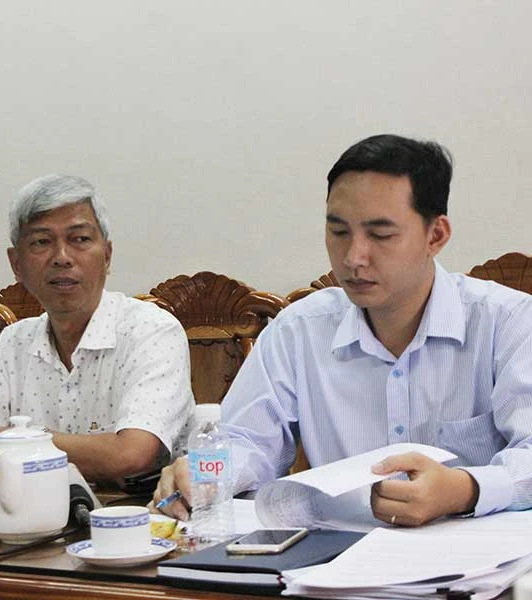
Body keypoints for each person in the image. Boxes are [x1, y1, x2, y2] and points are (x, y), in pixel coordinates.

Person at [153, 134, 532, 527]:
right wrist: (206, 474)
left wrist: (465, 489)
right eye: (339, 232)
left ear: (435, 235)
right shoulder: (299, 329)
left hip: (477, 551)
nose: (353, 258)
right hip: (338, 550)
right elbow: (248, 440)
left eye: (380, 235)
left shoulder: (508, 322)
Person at [0, 174, 194, 484]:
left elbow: (131, 455)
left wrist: (9, 441)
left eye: (79, 239)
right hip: (28, 512)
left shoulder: (151, 332)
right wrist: (59, 458)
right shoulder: (14, 343)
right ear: (16, 264)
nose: (62, 258)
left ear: (107, 255)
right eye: (42, 242)